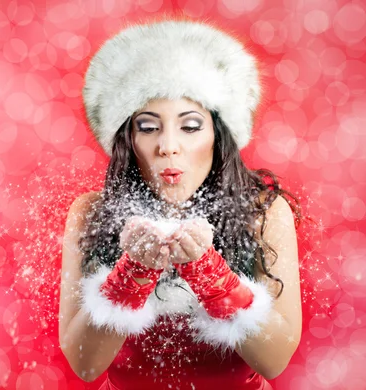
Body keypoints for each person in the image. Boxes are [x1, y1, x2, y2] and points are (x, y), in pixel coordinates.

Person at [58, 18, 304, 390]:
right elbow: (85, 365)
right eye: (148, 126)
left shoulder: (263, 213)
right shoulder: (92, 213)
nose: (168, 145)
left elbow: (274, 361)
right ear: (126, 140)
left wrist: (210, 274)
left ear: (219, 135)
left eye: (189, 126)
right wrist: (134, 271)